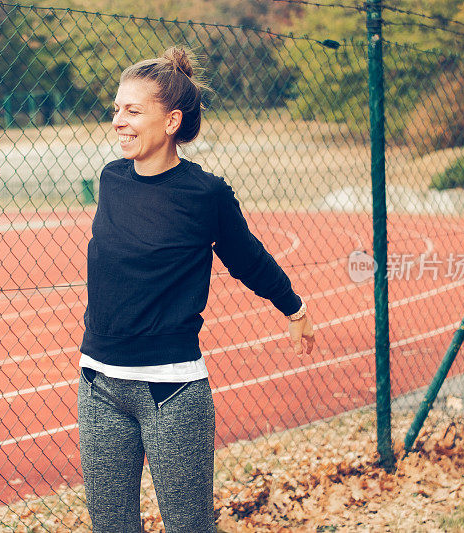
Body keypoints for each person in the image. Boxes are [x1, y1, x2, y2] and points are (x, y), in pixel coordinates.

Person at [77, 46, 315, 533]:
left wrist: (294, 308)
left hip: (171, 390)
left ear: (171, 121)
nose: (119, 121)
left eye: (133, 110)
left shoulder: (205, 195)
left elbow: (248, 258)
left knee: (189, 526)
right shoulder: (111, 178)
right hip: (98, 382)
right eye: (116, 109)